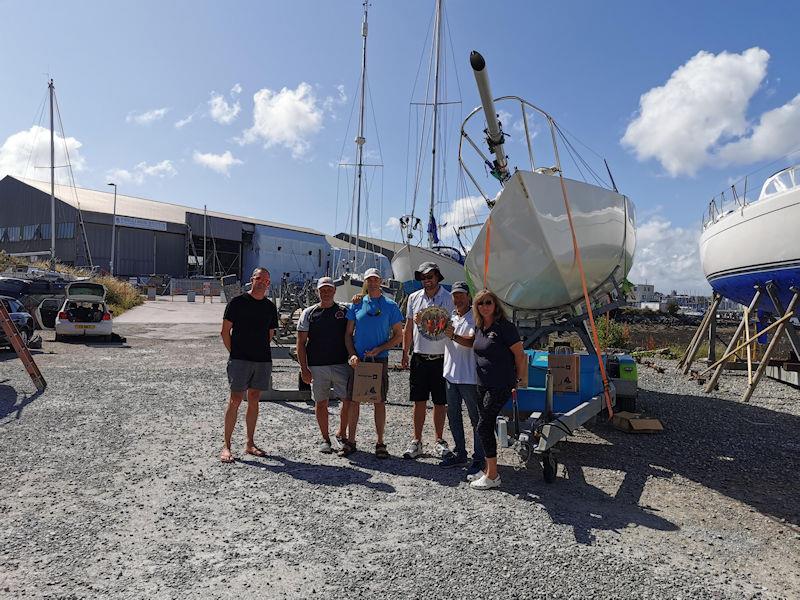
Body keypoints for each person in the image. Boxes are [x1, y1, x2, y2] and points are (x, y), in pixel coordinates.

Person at [468, 289, 527, 490]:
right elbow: (472, 345)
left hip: (501, 383)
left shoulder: (505, 328)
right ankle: (487, 469)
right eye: (480, 303)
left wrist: (519, 378)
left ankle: (493, 475)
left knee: (483, 426)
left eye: (488, 302)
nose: (484, 306)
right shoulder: (480, 327)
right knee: (486, 424)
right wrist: (450, 334)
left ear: (495, 305)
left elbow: (520, 355)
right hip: (482, 383)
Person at [220, 267, 279, 463]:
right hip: (240, 359)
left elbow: (269, 334)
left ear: (268, 284)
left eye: (266, 280)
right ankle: (227, 446)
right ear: (251, 279)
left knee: (254, 399)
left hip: (262, 360)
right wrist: (235, 354)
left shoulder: (270, 307)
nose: (262, 282)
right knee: (235, 399)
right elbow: (225, 332)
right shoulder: (237, 303)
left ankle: (249, 443)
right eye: (258, 278)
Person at [343, 268, 403, 458]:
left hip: (380, 359)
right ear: (366, 282)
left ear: (381, 280)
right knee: (354, 401)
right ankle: (351, 441)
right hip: (359, 359)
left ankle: (380, 442)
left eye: (376, 279)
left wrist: (381, 348)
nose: (373, 282)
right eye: (369, 279)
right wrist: (352, 354)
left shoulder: (391, 306)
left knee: (379, 401)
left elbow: (398, 336)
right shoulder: (357, 304)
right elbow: (348, 334)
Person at [401, 262, 455, 460]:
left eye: (430, 276)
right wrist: (405, 352)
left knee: (441, 402)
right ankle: (417, 441)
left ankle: (439, 440)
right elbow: (408, 327)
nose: (427, 280)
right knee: (419, 401)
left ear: (437, 277)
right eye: (423, 277)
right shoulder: (413, 298)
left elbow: (452, 326)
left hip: (442, 357)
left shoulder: (449, 299)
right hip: (420, 356)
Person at [296, 277, 350, 454]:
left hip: (341, 364)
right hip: (317, 366)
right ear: (317, 292)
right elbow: (300, 343)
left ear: (334, 290)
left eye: (329, 289)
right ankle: (325, 438)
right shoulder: (309, 313)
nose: (326, 292)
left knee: (347, 401)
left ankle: (341, 433)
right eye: (322, 289)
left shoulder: (344, 310)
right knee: (320, 403)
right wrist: (304, 368)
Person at [439, 282, 485, 476]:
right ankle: (460, 452)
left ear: (469, 297)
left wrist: (454, 336)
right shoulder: (449, 318)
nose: (457, 299)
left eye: (461, 295)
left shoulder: (476, 318)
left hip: (470, 377)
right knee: (454, 416)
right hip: (450, 375)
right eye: (455, 296)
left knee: (476, 419)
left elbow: (474, 342)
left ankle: (480, 458)